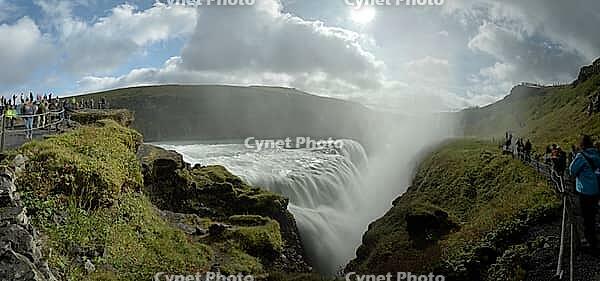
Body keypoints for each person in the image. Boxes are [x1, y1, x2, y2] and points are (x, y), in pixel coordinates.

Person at [570, 135, 600, 254]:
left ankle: (592, 244)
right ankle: (593, 236)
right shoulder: (597, 154)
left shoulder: (581, 156)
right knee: (593, 214)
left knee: (587, 218)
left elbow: (572, 170)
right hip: (596, 189)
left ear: (581, 144)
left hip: (585, 191)